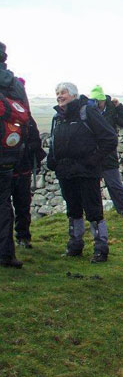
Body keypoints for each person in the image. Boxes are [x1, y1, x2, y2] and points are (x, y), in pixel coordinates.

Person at [47, 82, 118, 263]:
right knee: (73, 210)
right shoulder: (58, 117)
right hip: (65, 172)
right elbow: (54, 141)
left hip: (86, 172)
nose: (59, 96)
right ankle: (75, 245)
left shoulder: (87, 112)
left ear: (73, 95)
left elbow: (110, 138)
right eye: (57, 93)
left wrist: (92, 161)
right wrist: (52, 160)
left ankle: (101, 249)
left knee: (94, 211)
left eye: (63, 93)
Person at [0, 41, 31, 268]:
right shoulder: (16, 84)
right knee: (3, 203)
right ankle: (6, 254)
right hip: (9, 153)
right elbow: (26, 118)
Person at [89, 85, 123, 219]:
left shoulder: (112, 110)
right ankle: (95, 216)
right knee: (92, 187)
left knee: (115, 185)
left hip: (108, 154)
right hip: (92, 154)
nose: (97, 104)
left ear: (103, 100)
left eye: (98, 101)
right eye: (94, 101)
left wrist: (120, 107)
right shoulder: (88, 111)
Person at [12, 102, 46, 249]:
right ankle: (22, 237)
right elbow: (36, 143)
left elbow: (35, 142)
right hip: (22, 169)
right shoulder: (26, 116)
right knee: (22, 205)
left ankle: (18, 239)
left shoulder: (25, 117)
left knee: (18, 205)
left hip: (16, 169)